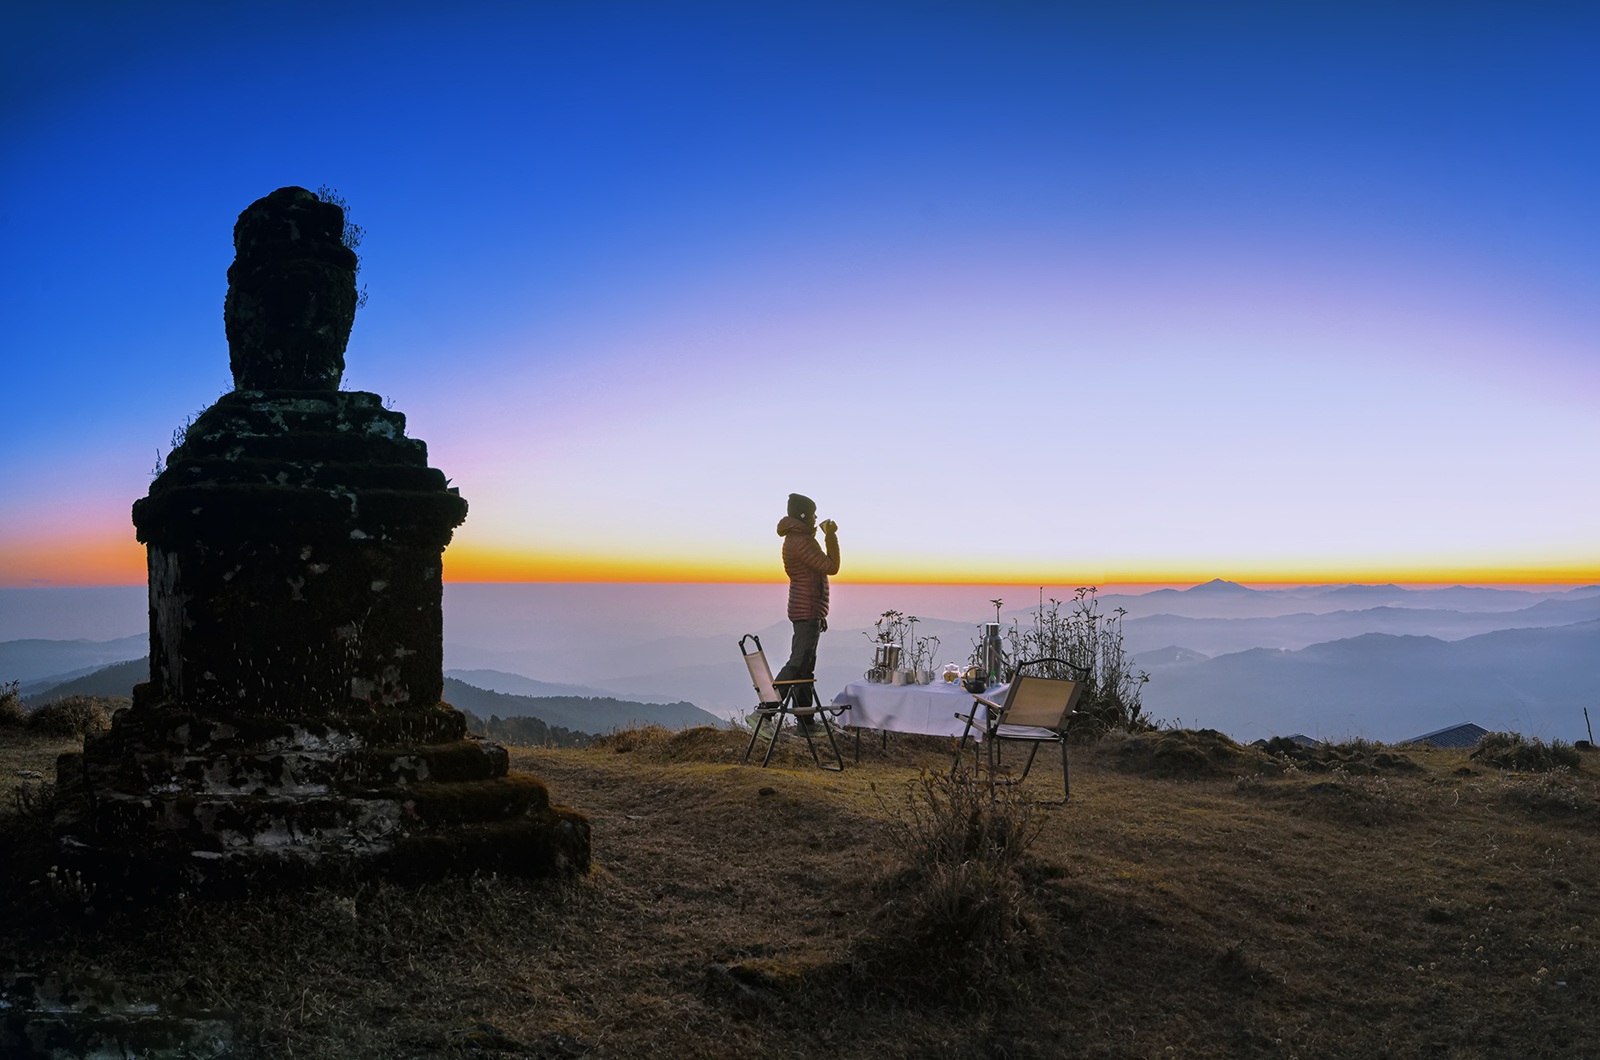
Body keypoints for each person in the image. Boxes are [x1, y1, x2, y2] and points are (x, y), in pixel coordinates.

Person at [774, 493, 840, 715]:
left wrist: (820, 614)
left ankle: (805, 721)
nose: (815, 519)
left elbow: (812, 578)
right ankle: (766, 707)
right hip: (806, 611)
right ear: (803, 516)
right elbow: (831, 566)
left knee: (805, 668)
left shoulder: (796, 539)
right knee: (798, 663)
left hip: (808, 610)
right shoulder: (802, 541)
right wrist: (830, 536)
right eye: (812, 515)